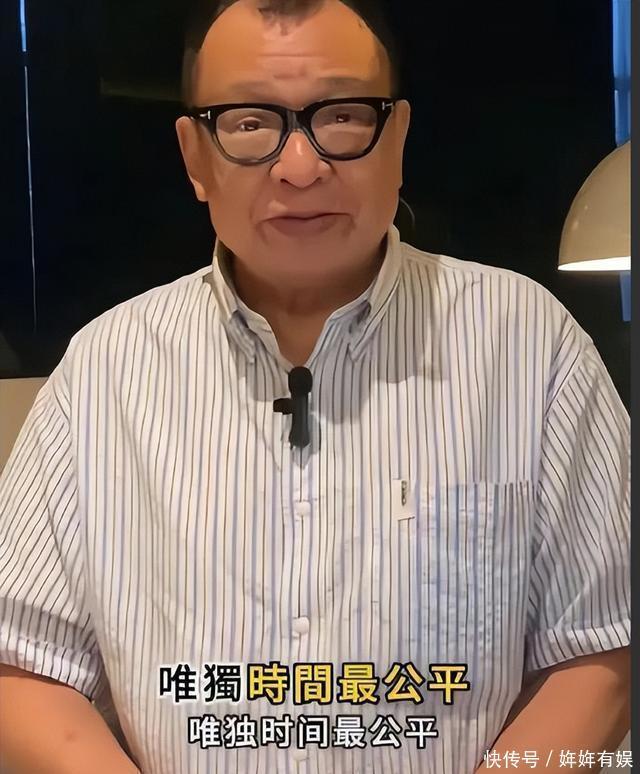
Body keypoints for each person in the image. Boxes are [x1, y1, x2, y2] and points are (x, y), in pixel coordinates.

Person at [0, 0, 630, 772]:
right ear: (195, 156)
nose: (300, 167)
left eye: (342, 116)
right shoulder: (103, 371)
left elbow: (604, 645)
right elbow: (22, 663)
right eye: (248, 123)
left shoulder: (529, 344)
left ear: (397, 138)